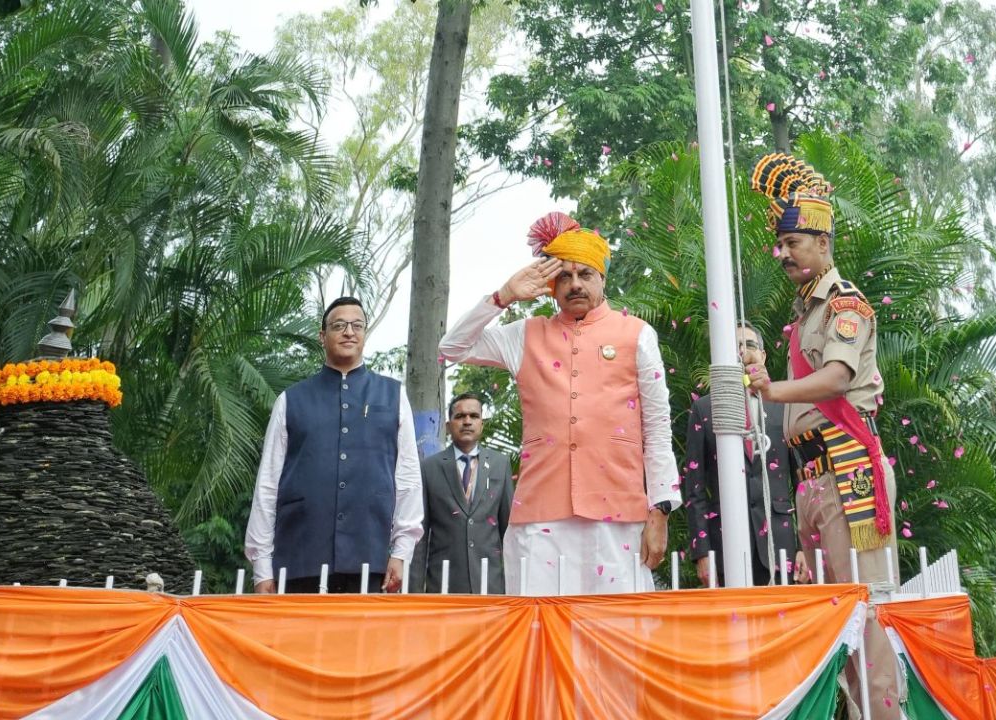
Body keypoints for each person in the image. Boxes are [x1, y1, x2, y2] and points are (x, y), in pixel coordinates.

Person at [439, 211, 681, 595]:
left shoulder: (637, 335)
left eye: (585, 274)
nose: (574, 284)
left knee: (615, 635)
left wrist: (661, 510)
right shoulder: (525, 335)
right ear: (550, 286)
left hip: (617, 513)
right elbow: (452, 347)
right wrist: (503, 297)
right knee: (541, 632)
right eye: (563, 276)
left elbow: (657, 426)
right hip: (539, 516)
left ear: (602, 278)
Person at [745, 154, 901, 718]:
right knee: (839, 613)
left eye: (792, 242)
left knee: (868, 607)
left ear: (823, 241)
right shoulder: (807, 310)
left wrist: (770, 391)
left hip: (848, 469)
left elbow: (837, 378)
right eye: (781, 244)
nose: (782, 253)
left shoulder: (845, 304)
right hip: (814, 476)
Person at [245, 297, 423, 594]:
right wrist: (262, 566)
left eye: (357, 325)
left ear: (365, 334)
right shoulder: (290, 400)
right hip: (300, 559)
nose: (349, 332)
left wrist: (401, 552)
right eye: (339, 325)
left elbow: (407, 479)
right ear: (322, 336)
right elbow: (268, 485)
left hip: (371, 560)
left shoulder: (393, 396)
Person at [684, 322, 804, 587]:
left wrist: (804, 546)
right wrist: (702, 553)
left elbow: (801, 481)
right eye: (734, 346)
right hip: (726, 545)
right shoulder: (704, 409)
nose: (742, 351)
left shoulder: (785, 406)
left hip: (781, 546)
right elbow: (694, 489)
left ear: (763, 355)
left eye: (750, 345)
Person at [411, 392, 514, 594]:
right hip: (444, 584)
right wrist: (415, 591)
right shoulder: (429, 468)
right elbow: (420, 535)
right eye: (460, 416)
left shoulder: (500, 465)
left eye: (474, 416)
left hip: (490, 584)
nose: (467, 422)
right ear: (448, 426)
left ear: (482, 424)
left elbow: (508, 531)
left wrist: (513, 585)